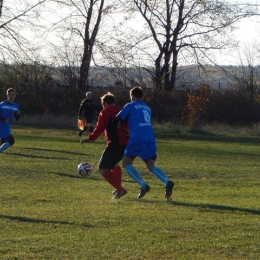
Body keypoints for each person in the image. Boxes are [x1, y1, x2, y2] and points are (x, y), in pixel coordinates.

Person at [115, 86, 174, 200]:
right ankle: (167, 181)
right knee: (151, 165)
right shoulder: (147, 107)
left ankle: (143, 185)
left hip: (137, 139)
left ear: (132, 96)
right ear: (142, 96)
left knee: (126, 163)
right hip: (150, 138)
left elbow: (117, 120)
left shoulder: (130, 105)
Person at [80, 92, 129, 199]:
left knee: (102, 168)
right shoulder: (123, 111)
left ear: (105, 103)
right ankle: (118, 189)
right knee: (114, 165)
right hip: (126, 144)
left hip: (115, 144)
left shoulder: (106, 112)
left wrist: (90, 138)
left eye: (103, 104)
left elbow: (100, 127)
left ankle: (120, 189)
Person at [0, 88, 21, 154]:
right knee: (11, 141)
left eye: (13, 94)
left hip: (7, 127)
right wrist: (3, 119)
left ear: (15, 96)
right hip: (1, 126)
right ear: (7, 95)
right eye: (10, 94)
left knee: (3, 142)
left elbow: (16, 118)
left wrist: (18, 114)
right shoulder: (2, 104)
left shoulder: (16, 106)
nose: (11, 96)